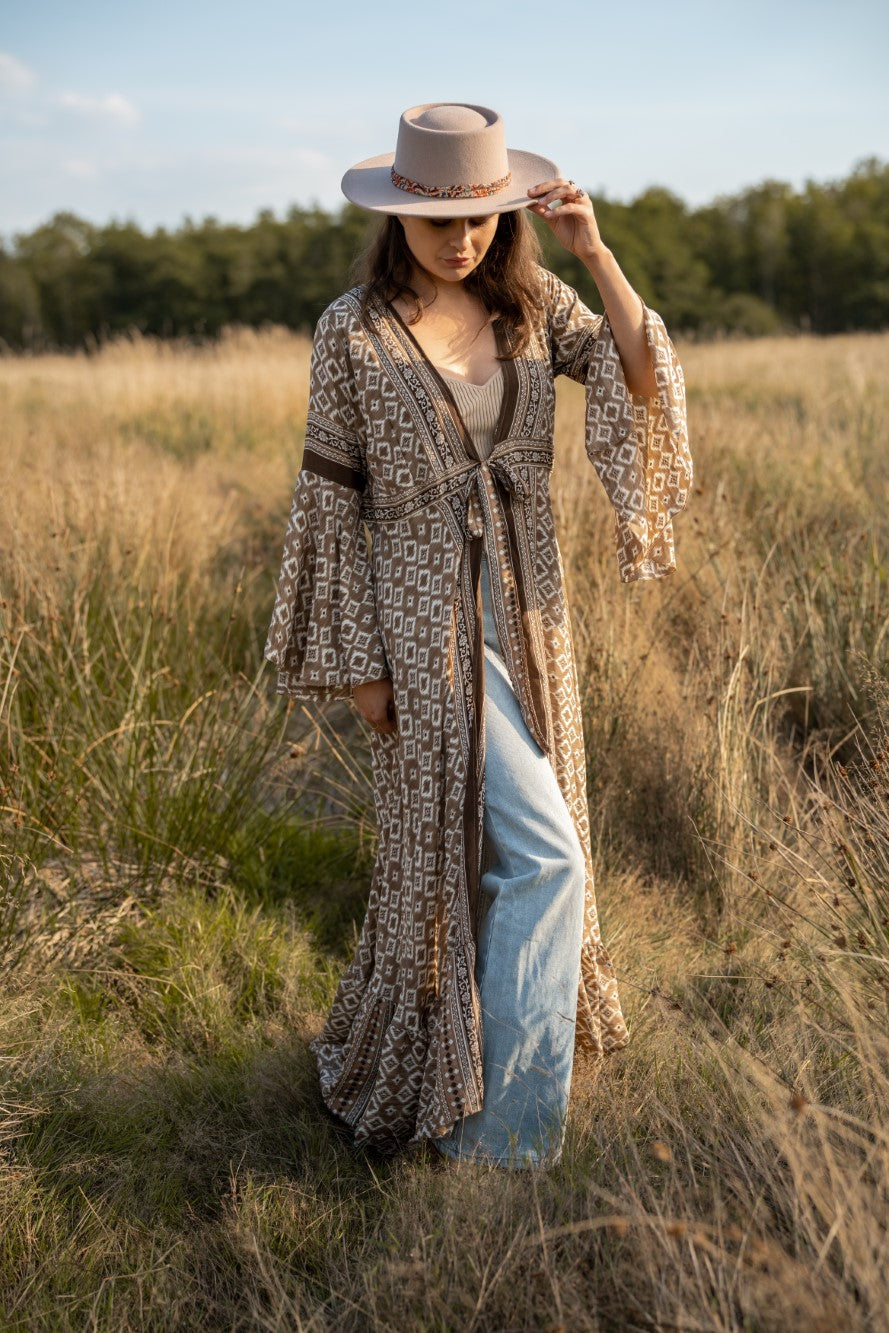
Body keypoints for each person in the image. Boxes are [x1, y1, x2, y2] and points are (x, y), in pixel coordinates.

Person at [264, 103, 691, 1169]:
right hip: (421, 624)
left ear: (507, 213)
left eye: (482, 218)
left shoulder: (533, 305)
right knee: (541, 858)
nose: (461, 240)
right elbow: (328, 499)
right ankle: (502, 1147)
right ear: (396, 217)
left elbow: (643, 375)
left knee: (507, 854)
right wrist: (360, 667)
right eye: (438, 222)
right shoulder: (351, 330)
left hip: (531, 610)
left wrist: (594, 253)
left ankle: (471, 1081)